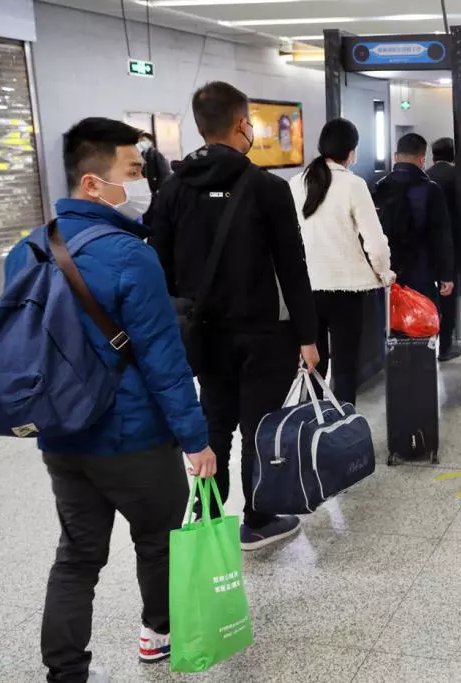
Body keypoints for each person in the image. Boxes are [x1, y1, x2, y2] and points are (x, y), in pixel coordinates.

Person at [2, 117, 216, 681]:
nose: (144, 181)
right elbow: (163, 360)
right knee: (159, 541)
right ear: (93, 183)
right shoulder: (130, 255)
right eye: (134, 170)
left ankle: (65, 671)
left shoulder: (26, 249)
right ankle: (158, 636)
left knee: (77, 555)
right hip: (133, 437)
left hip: (62, 435)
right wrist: (196, 439)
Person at [150, 81, 319, 551]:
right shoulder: (268, 188)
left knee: (214, 422)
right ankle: (258, 520)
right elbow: (292, 267)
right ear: (243, 124)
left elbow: (158, 267)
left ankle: (207, 518)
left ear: (200, 126)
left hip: (201, 333)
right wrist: (308, 335)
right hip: (263, 333)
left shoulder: (173, 189)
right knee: (257, 427)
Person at [289, 118, 394, 403]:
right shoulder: (353, 184)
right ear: (351, 151)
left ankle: (312, 422)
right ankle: (343, 423)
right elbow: (375, 242)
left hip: (305, 290)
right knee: (345, 367)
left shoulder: (295, 183)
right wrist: (384, 272)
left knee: (313, 365)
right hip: (346, 290)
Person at [373, 132, 454, 303]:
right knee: (422, 315)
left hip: (386, 271)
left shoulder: (380, 187)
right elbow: (441, 235)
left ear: (395, 156)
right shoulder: (431, 190)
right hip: (421, 271)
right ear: (422, 159)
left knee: (390, 314)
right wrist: (446, 274)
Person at [426, 137, 461, 361]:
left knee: (428, 296)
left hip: (426, 247)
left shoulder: (425, 176)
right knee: (449, 295)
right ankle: (446, 346)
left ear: (433, 155)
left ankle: (425, 347)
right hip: (452, 245)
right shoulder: (458, 176)